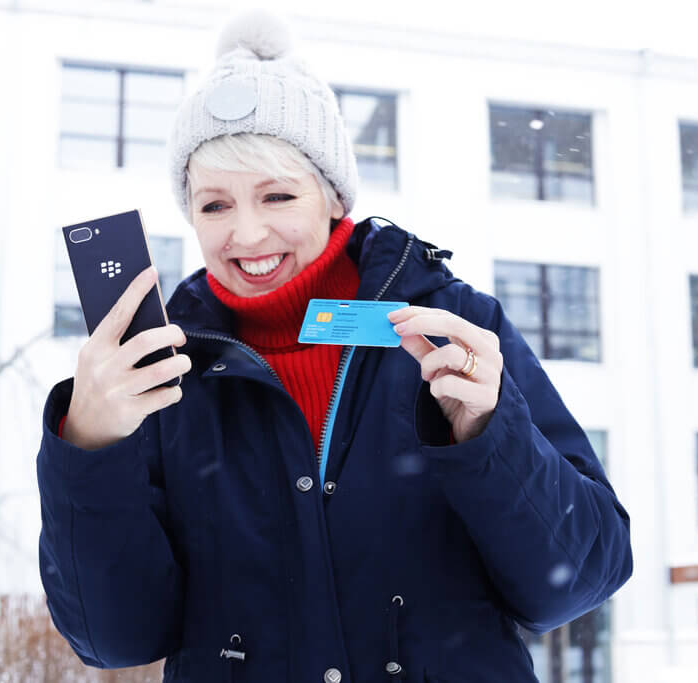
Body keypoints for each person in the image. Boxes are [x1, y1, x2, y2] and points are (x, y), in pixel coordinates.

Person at [37, 10, 632, 683]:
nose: (248, 233)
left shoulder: (454, 324)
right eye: (214, 206)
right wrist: (86, 448)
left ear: (331, 196)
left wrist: (491, 437)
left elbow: (579, 580)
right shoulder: (163, 372)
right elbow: (116, 637)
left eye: (277, 194)